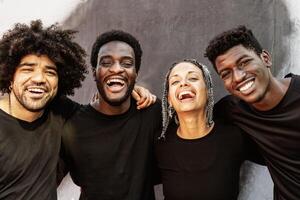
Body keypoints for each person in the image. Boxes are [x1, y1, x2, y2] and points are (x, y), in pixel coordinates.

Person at [60, 30, 161, 200]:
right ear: (95, 72)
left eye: (127, 63)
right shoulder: (75, 125)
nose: (116, 69)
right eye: (106, 63)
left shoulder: (153, 111)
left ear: (136, 72)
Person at [205, 25, 300, 200]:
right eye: (226, 73)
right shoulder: (232, 110)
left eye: (244, 63)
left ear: (265, 58)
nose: (238, 77)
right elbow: (188, 118)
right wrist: (140, 92)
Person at [0, 20, 88, 200]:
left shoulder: (62, 111)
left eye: (50, 72)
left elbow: (105, 114)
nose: (39, 78)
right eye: (28, 69)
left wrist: (133, 91)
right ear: (10, 76)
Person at [155, 59, 263, 200]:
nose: (183, 83)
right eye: (175, 82)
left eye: (193, 78)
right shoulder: (160, 142)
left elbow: (281, 156)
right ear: (169, 99)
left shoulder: (234, 136)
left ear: (207, 91)